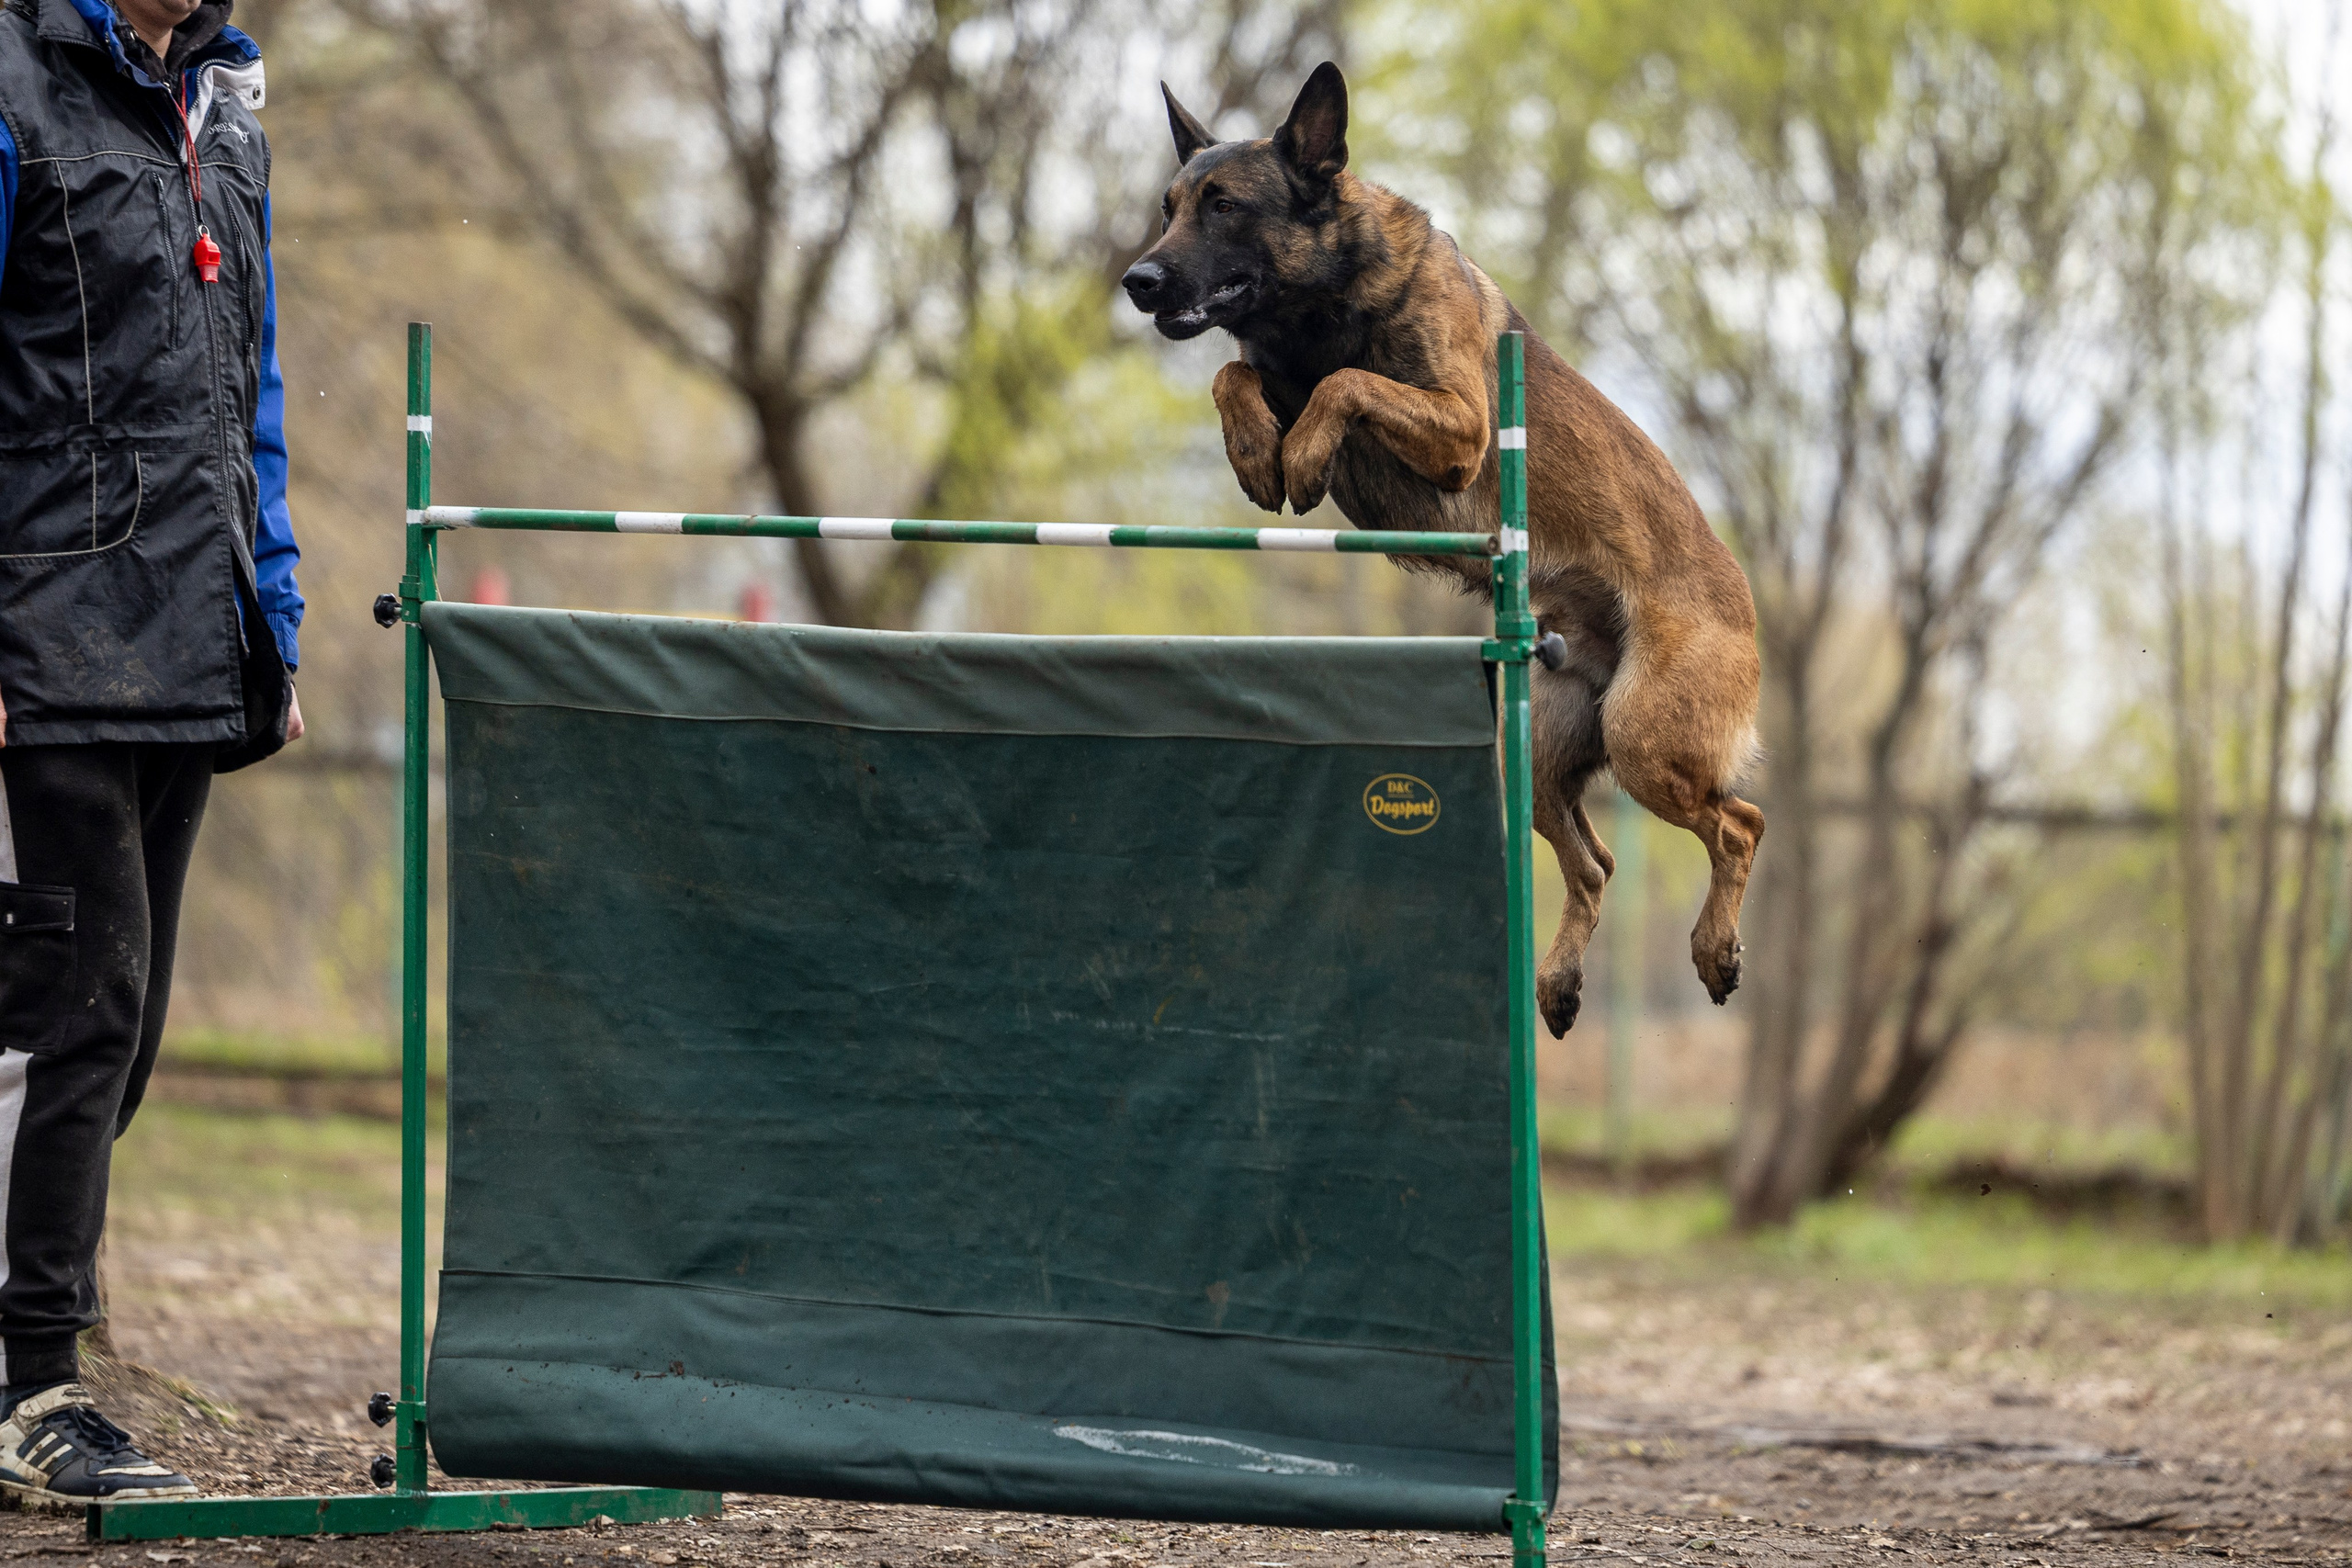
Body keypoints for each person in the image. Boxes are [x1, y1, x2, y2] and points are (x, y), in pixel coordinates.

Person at [0, 0, 304, 1505]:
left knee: (123, 1035)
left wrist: (280, 615)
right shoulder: (11, 76)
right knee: (77, 1013)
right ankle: (33, 1387)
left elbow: (249, 384)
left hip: (194, 634)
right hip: (44, 630)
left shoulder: (233, 106)